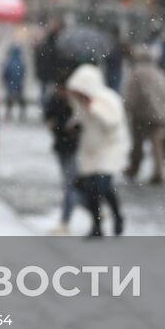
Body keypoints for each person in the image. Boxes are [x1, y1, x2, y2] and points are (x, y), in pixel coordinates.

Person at [65, 63, 127, 238]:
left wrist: (94, 108)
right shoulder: (78, 103)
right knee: (90, 189)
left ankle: (117, 216)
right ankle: (97, 225)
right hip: (89, 149)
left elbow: (112, 123)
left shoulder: (107, 99)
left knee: (102, 185)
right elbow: (80, 120)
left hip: (108, 148)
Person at [123, 45, 165, 185]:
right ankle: (158, 171)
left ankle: (134, 168)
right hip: (158, 113)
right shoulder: (158, 71)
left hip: (142, 113)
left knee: (137, 143)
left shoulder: (137, 72)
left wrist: (127, 109)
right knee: (157, 144)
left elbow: (132, 95)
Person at [43, 81, 82, 235]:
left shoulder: (74, 102)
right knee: (72, 185)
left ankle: (65, 221)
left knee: (70, 186)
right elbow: (50, 120)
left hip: (74, 148)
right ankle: (95, 206)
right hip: (63, 147)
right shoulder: (55, 101)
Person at [34, 17, 64, 104]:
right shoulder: (56, 43)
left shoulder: (45, 43)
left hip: (45, 73)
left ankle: (45, 107)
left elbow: (39, 58)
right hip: (51, 73)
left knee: (45, 92)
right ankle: (47, 107)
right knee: (49, 93)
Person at [2, 44, 28, 120]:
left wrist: (6, 80)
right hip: (19, 84)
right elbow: (23, 73)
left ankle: (8, 112)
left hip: (10, 83)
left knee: (9, 98)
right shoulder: (21, 62)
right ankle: (22, 113)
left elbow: (5, 73)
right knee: (20, 98)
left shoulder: (9, 62)